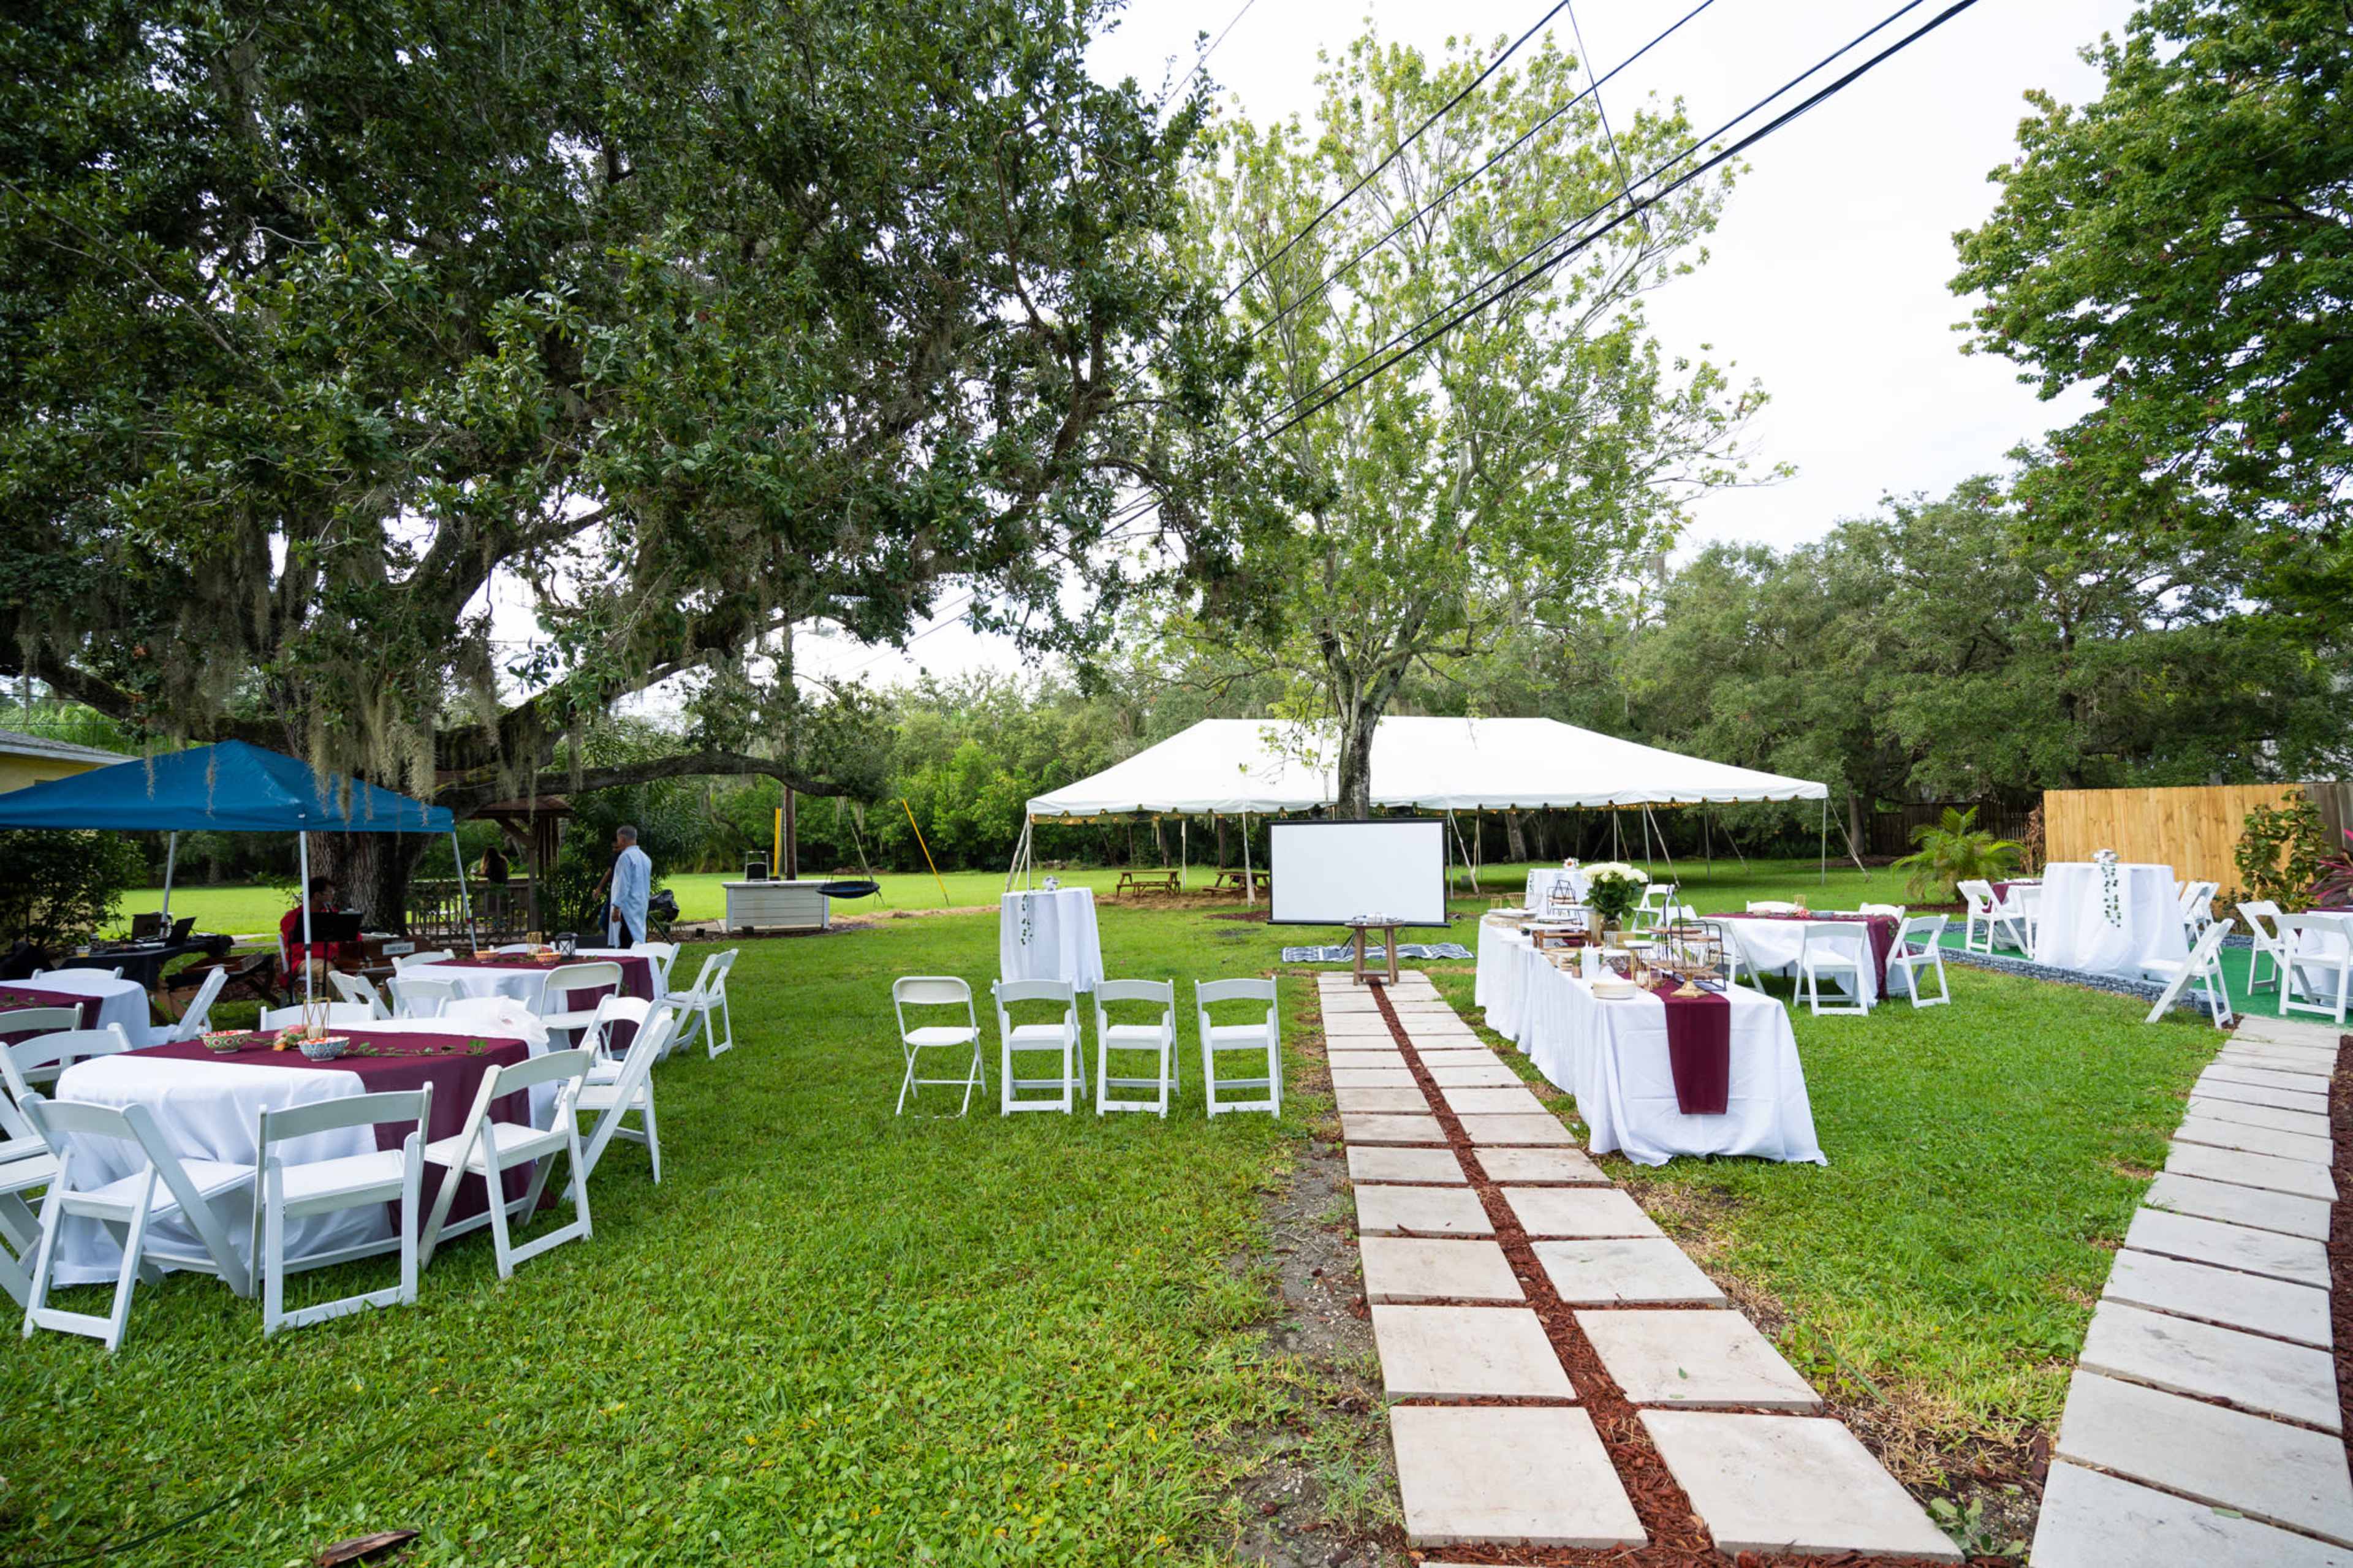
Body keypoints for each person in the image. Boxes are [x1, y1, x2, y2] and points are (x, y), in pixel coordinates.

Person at [280, 876, 351, 978]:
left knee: (370, 965)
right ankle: (329, 995)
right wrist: (332, 955)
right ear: (317, 895)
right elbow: (297, 949)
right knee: (328, 969)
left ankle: (362, 994)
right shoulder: (292, 919)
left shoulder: (332, 913)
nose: (332, 897)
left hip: (334, 957)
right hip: (303, 960)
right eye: (330, 893)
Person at [606, 825, 653, 948]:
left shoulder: (625, 858)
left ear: (622, 839)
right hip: (640, 905)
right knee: (638, 941)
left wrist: (617, 908)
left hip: (626, 909)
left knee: (627, 944)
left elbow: (623, 885)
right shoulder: (645, 858)